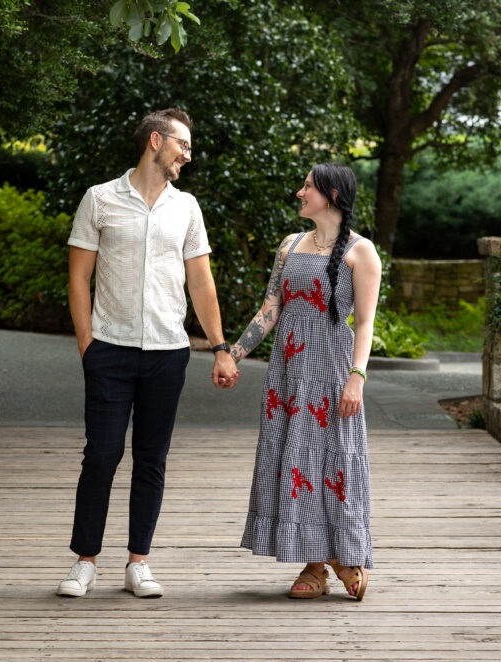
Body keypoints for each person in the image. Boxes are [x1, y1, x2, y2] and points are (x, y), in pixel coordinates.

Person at [58, 108, 239, 599]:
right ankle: (85, 562)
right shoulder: (99, 199)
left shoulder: (187, 208)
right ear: (156, 141)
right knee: (101, 455)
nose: (188, 155)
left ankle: (138, 562)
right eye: (183, 145)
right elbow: (78, 276)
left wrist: (221, 347)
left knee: (151, 459)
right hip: (109, 349)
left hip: (167, 353)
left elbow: (201, 282)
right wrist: (87, 344)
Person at [229, 163, 381, 600]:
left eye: (308, 187)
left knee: (331, 460)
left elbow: (365, 322)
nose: (300, 193)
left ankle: (343, 555)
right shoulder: (289, 245)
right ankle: (316, 563)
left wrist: (357, 378)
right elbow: (270, 309)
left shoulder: (362, 252)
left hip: (332, 370)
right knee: (294, 458)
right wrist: (232, 355)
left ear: (331, 196)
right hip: (288, 370)